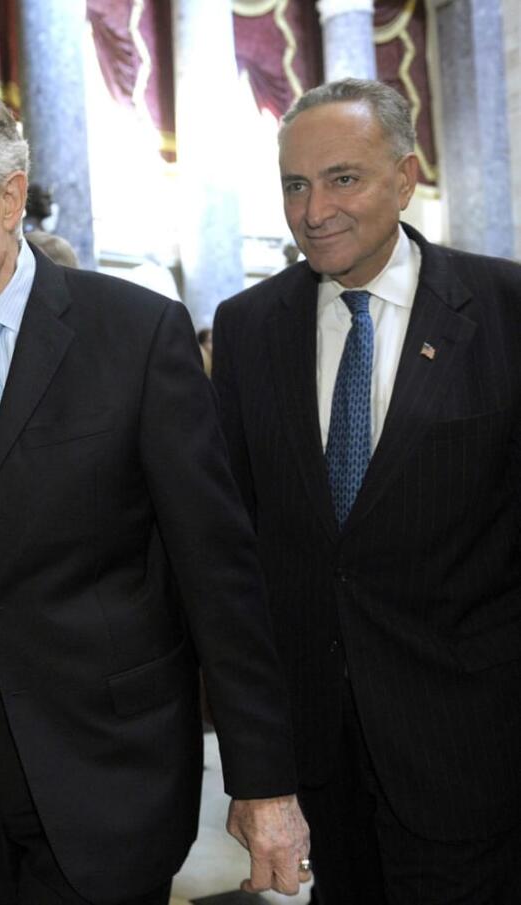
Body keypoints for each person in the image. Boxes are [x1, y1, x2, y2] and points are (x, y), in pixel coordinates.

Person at [0, 79, 309, 905]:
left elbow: (220, 578)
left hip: (114, 768)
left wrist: (265, 782)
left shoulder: (136, 335)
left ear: (9, 197)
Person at [212, 78, 521, 903]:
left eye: (342, 178)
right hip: (314, 768)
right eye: (294, 184)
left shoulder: (504, 310)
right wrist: (257, 763)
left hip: (474, 760)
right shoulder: (246, 330)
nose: (314, 211)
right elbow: (231, 560)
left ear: (406, 176)